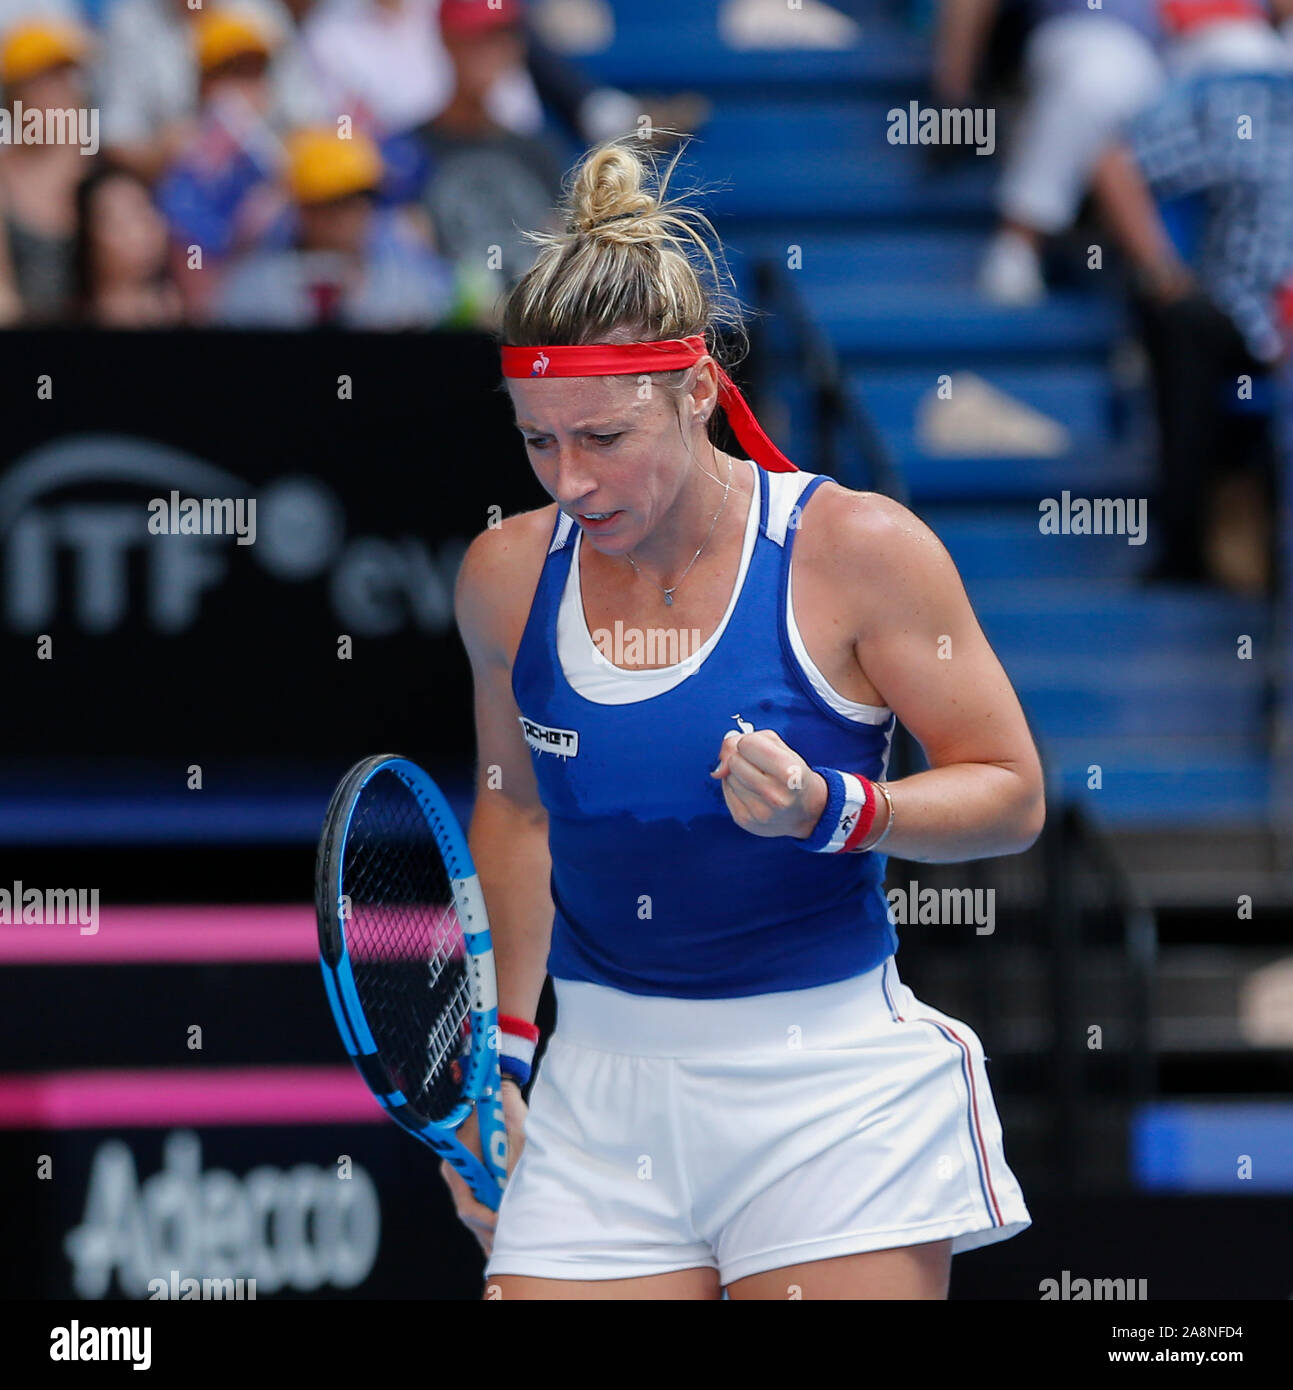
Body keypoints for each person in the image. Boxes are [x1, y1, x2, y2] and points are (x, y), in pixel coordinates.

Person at [447, 134, 1042, 1299]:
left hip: (829, 1090)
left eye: (603, 438)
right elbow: (516, 816)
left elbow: (1012, 794)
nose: (566, 480)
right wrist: (499, 1060)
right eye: (537, 439)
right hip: (596, 1095)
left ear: (701, 389)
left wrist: (838, 807)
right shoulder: (503, 576)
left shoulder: (861, 551)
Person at [213, 125, 454, 327]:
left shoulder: (406, 281)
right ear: (303, 207)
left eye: (363, 198)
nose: (351, 214)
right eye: (337, 201)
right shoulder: (256, 288)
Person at [0, 17, 96, 323]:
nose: (59, 93)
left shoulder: (105, 172)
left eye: (66, 78)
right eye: (44, 81)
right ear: (14, 95)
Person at [71, 165, 182, 326]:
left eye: (145, 210)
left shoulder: (178, 305)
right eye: (122, 221)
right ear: (87, 237)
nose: (146, 228)